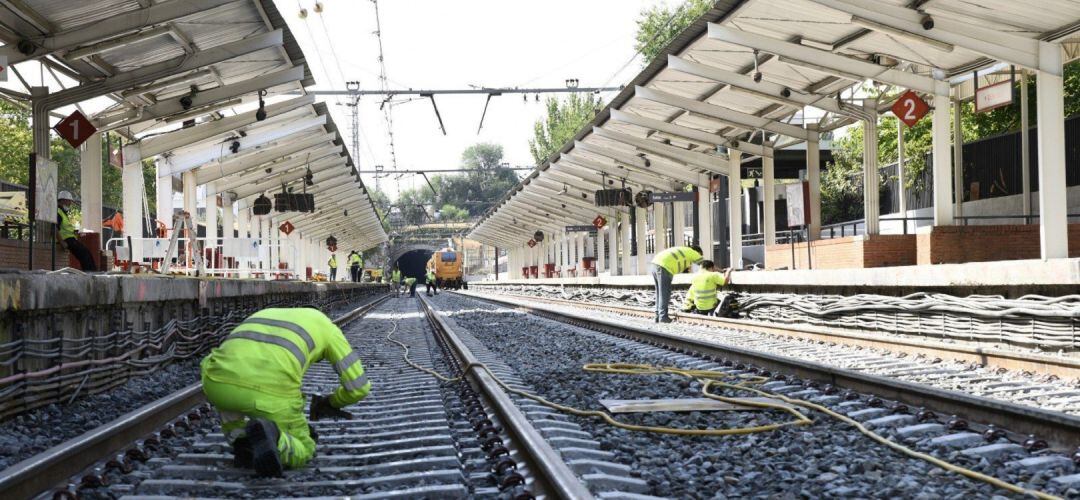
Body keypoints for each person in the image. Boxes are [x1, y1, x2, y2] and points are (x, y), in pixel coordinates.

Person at [200, 307, 371, 477]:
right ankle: (276, 439)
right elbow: (359, 388)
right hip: (269, 391)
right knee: (305, 447)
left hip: (215, 382)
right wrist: (331, 402)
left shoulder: (265, 313)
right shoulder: (327, 327)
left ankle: (242, 443)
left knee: (234, 408)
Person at [649, 245, 702, 323]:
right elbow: (705, 264)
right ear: (697, 252)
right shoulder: (693, 252)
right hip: (663, 266)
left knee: (659, 293)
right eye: (700, 254)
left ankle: (657, 316)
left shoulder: (685, 251)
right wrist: (721, 271)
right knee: (664, 293)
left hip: (655, 264)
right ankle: (663, 317)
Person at [57, 191, 97, 272]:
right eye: (69, 201)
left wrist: (74, 232)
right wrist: (61, 242)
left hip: (70, 239)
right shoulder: (58, 212)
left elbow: (63, 227)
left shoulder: (63, 213)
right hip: (67, 240)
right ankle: (90, 273)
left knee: (86, 253)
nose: (70, 204)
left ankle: (92, 272)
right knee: (85, 254)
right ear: (63, 200)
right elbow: (54, 228)